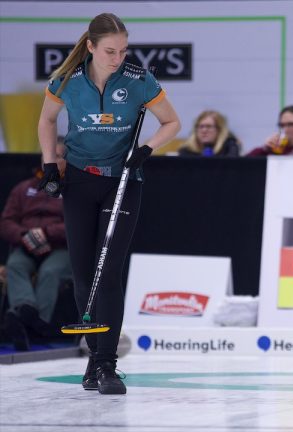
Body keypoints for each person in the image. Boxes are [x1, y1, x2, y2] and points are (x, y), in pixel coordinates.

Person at [37, 13, 181, 395]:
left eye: (123, 51)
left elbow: (172, 122)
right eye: (110, 51)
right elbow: (47, 121)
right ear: (90, 47)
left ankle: (107, 365)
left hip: (123, 182)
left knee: (109, 271)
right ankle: (94, 356)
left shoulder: (138, 80)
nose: (117, 58)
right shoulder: (65, 81)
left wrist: (147, 149)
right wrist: (50, 163)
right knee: (85, 274)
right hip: (80, 181)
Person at [0, 141, 71, 351]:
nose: (50, 160)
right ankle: (26, 311)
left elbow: (80, 224)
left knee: (51, 271)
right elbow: (6, 222)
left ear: (67, 161)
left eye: (57, 156)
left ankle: (32, 326)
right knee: (15, 265)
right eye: (47, 155)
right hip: (27, 245)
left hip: (61, 248)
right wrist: (25, 236)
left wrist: (47, 234)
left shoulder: (74, 189)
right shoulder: (24, 188)